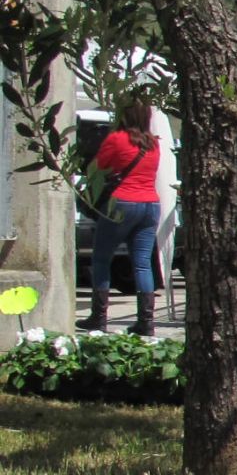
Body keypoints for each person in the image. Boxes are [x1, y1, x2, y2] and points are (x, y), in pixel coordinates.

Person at [82, 96, 163, 336]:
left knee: (101, 258)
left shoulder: (116, 139)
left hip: (123, 203)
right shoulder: (153, 144)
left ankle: (98, 317)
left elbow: (97, 168)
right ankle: (146, 322)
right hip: (151, 204)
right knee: (142, 263)